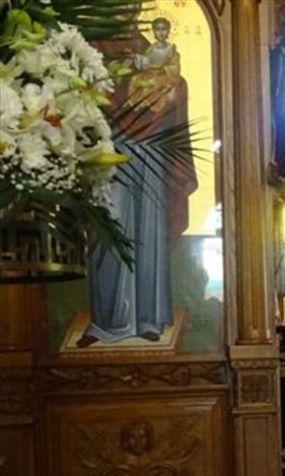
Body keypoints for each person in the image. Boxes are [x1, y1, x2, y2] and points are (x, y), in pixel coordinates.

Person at [77, 17, 197, 347]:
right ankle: (106, 321)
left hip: (149, 150)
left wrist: (172, 92)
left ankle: (149, 318)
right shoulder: (90, 46)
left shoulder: (148, 48)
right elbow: (86, 95)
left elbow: (174, 83)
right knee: (109, 224)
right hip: (109, 149)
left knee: (149, 229)